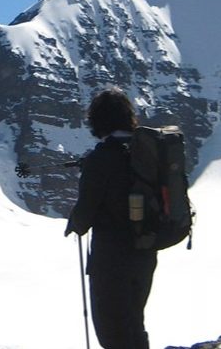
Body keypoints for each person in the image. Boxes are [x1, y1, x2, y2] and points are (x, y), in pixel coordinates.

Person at [66, 88, 157, 349]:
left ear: (97, 120)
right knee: (134, 323)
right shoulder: (146, 151)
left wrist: (75, 221)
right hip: (146, 251)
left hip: (111, 260)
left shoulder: (100, 159)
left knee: (112, 332)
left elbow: (84, 216)